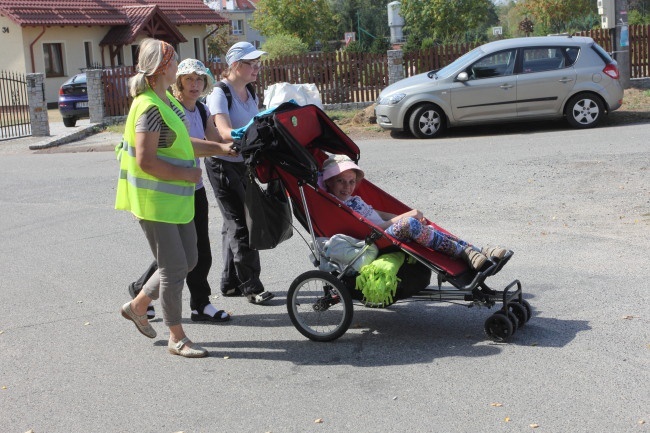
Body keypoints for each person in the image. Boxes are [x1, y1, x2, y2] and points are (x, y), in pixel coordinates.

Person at [116, 39, 235, 358]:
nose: (178, 66)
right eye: (174, 61)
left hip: (174, 199)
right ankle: (177, 337)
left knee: (190, 261)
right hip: (155, 202)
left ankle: (139, 305)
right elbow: (145, 159)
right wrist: (186, 175)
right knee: (172, 268)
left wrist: (220, 149)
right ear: (162, 68)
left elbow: (184, 145)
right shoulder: (150, 107)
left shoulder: (166, 100)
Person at [320, 154, 508, 271]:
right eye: (341, 181)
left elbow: (378, 214)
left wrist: (405, 214)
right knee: (409, 224)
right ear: (329, 182)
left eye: (352, 181)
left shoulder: (354, 199)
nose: (347, 187)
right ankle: (463, 253)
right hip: (372, 240)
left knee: (420, 224)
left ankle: (475, 249)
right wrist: (404, 218)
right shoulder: (336, 205)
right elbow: (371, 227)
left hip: (383, 231)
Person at [203, 42, 274, 304]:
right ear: (235, 65)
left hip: (243, 163)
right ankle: (251, 287)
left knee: (231, 224)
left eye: (258, 63)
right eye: (251, 63)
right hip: (222, 164)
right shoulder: (220, 93)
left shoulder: (250, 91)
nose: (257, 67)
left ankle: (230, 283)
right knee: (242, 224)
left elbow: (255, 123)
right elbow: (223, 131)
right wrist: (243, 137)